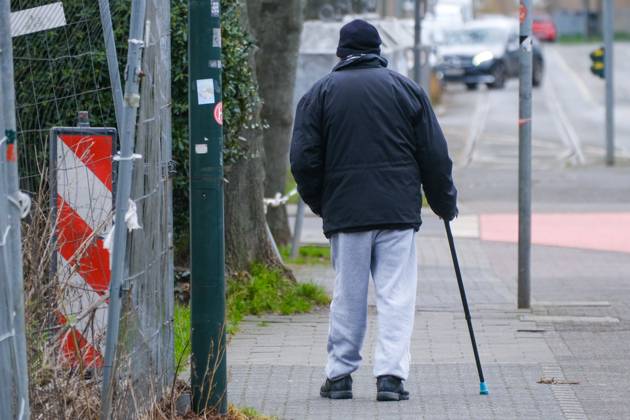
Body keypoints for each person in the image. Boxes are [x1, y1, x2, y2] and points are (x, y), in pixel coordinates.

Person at [290, 19, 458, 402]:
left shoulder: (320, 93)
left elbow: (303, 159)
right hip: (397, 213)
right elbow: (434, 155)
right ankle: (391, 377)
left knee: (348, 295)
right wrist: (443, 202)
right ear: (379, 51)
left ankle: (339, 376)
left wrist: (322, 203)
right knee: (397, 295)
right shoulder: (406, 90)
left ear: (341, 53)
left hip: (347, 215)